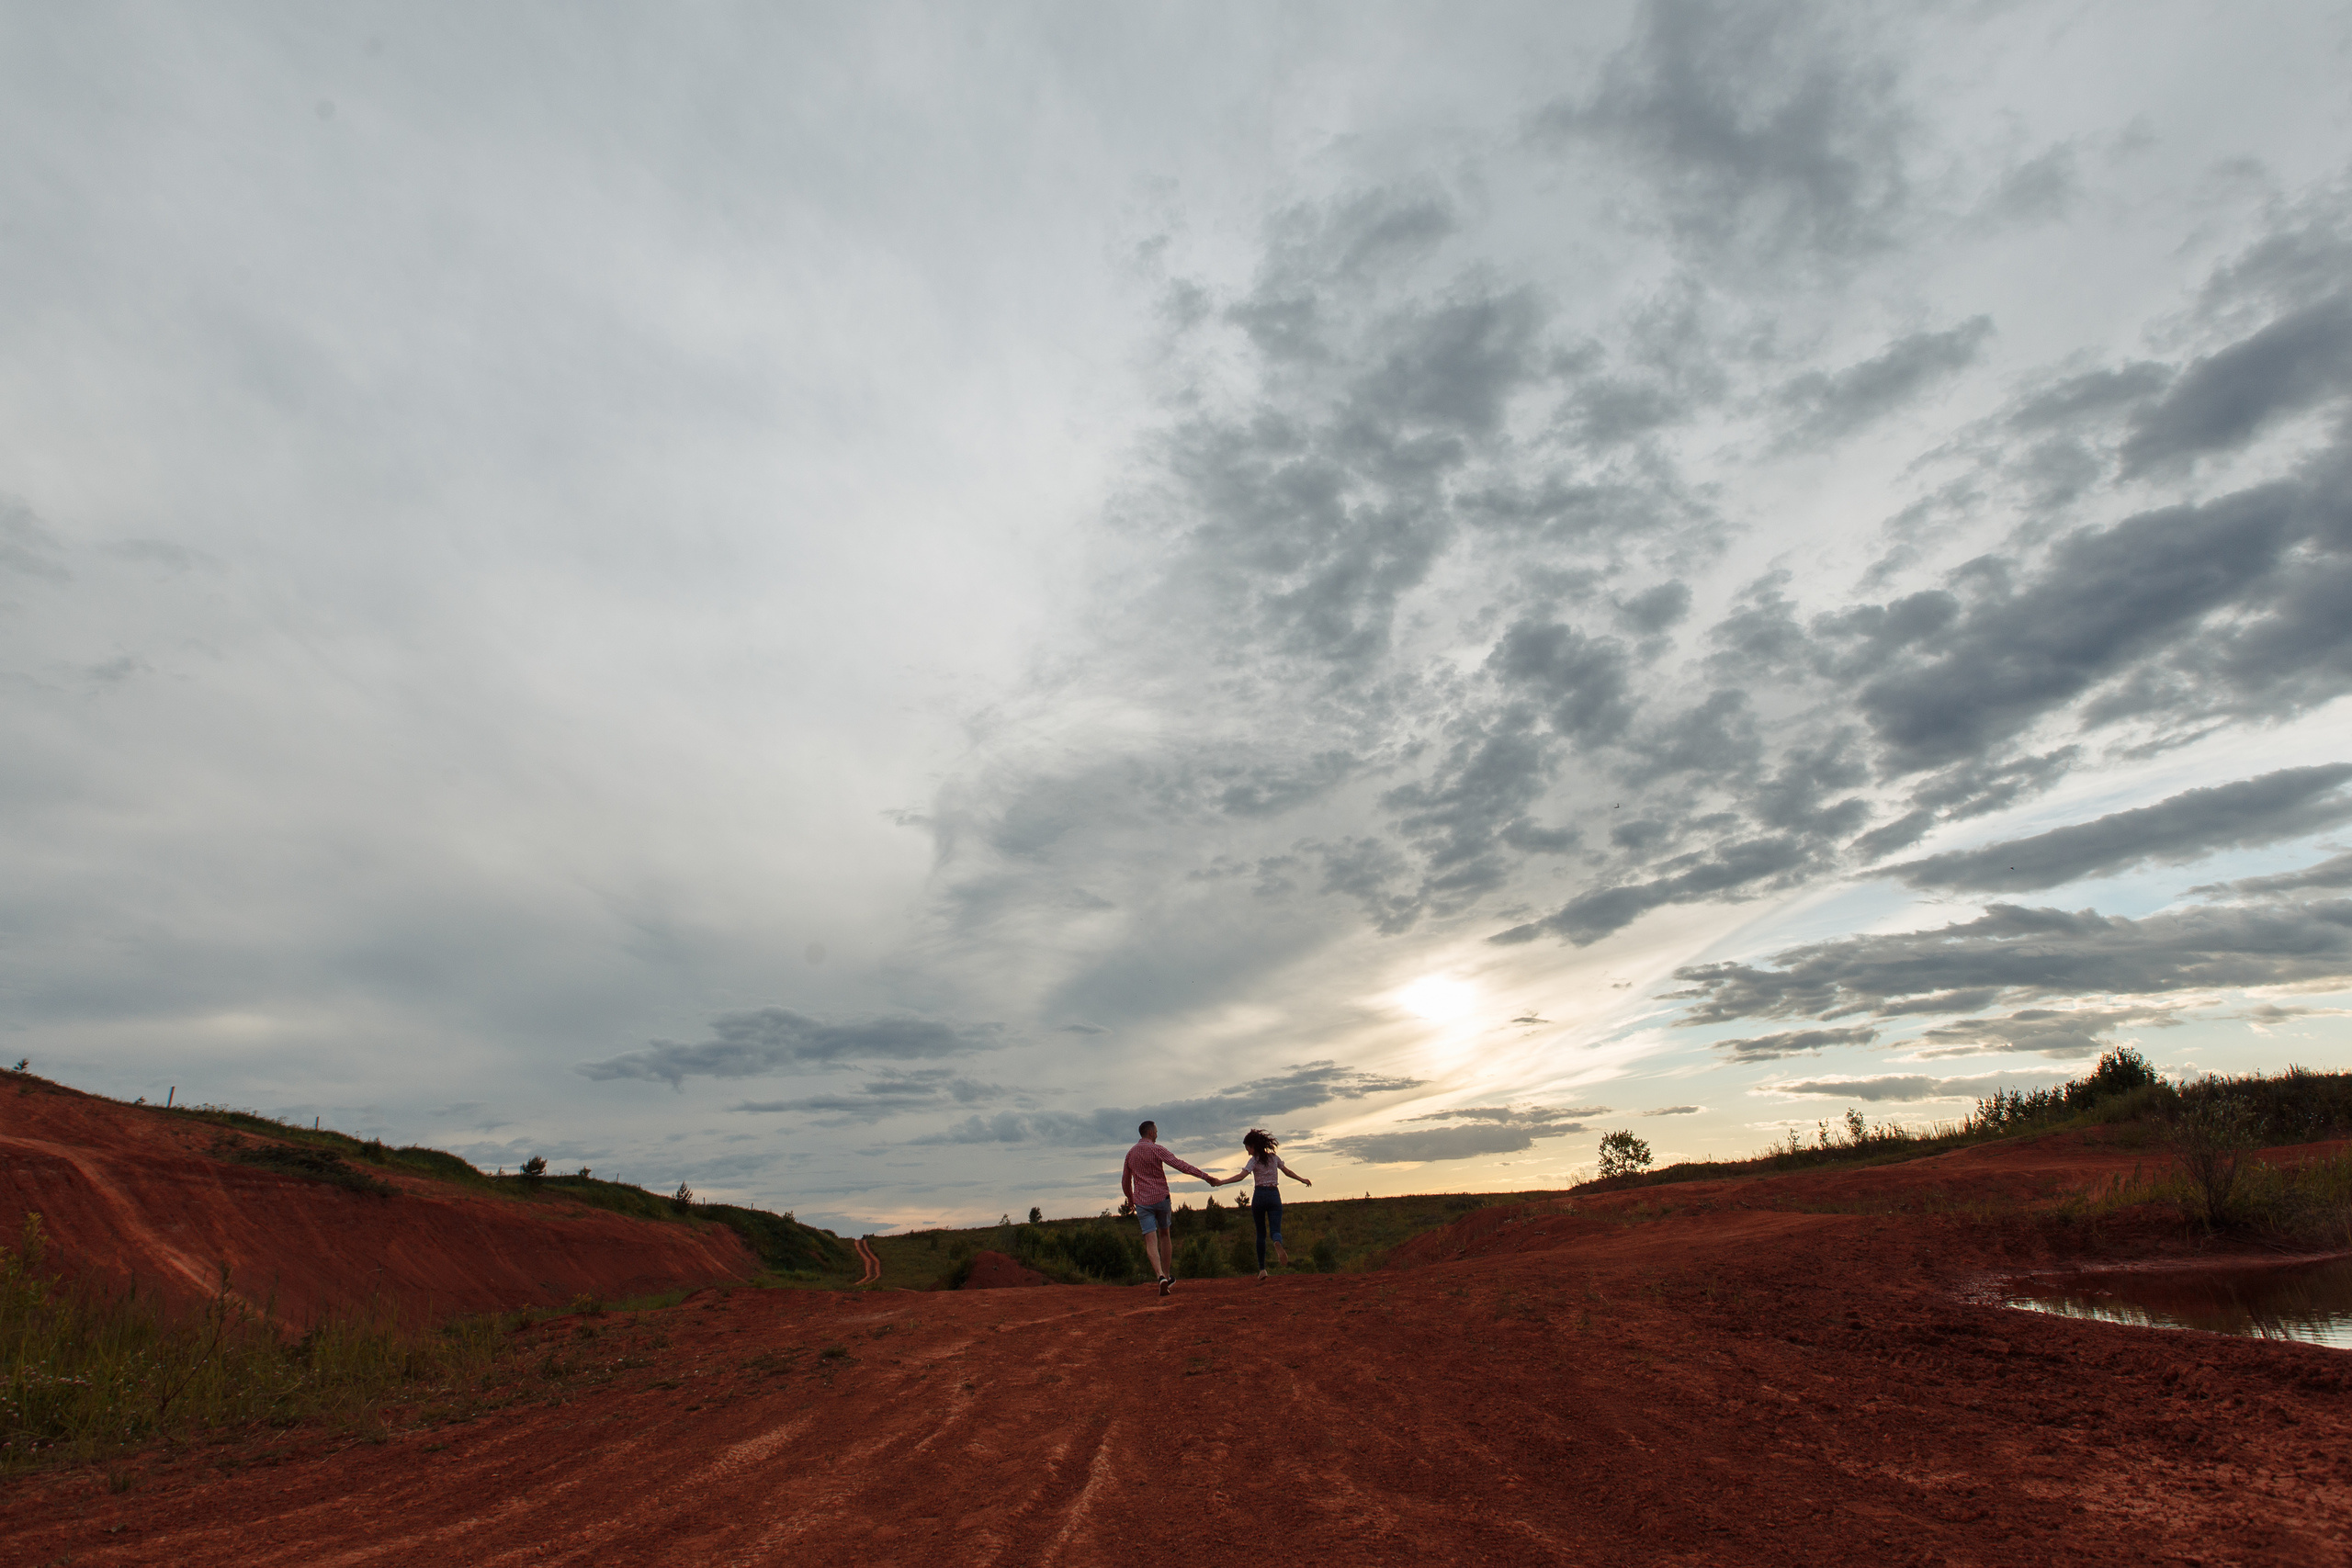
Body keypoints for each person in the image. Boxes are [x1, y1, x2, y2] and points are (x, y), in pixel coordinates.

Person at [1121, 1120, 1233, 1296]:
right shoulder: (1157, 1149)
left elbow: (1126, 1180)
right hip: (1161, 1199)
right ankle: (1166, 1274)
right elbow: (1181, 1165)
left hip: (1142, 1201)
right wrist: (1205, 1177)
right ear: (1150, 1133)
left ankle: (1159, 1276)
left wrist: (1130, 1198)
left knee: (1150, 1240)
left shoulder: (1130, 1154)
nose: (1157, 1134)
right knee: (1165, 1235)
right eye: (1156, 1131)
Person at [1227, 1127, 1310, 1280]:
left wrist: (1221, 1182)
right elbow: (1288, 1172)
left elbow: (1241, 1176)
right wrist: (1302, 1179)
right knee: (1275, 1230)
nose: (1248, 1152)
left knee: (1260, 1234)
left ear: (1253, 1146)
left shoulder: (1254, 1161)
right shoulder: (1274, 1158)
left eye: (1248, 1148)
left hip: (1259, 1196)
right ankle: (1277, 1242)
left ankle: (1262, 1270)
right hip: (1273, 1196)